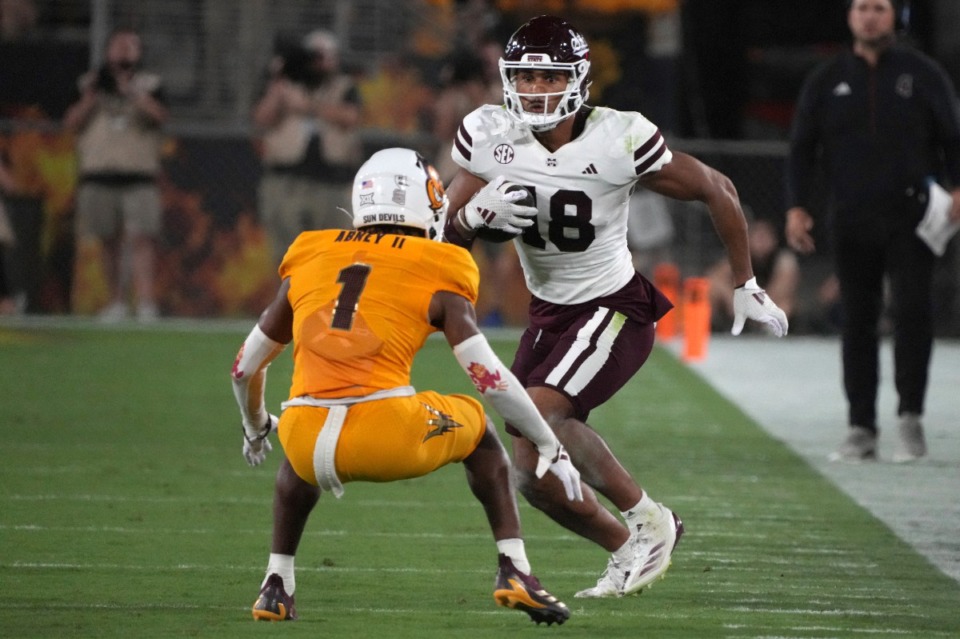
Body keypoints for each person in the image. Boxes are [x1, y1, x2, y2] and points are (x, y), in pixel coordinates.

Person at [440, 15, 789, 599]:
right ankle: (629, 546)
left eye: (545, 78)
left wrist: (746, 281)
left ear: (577, 82)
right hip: (549, 315)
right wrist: (471, 220)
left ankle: (649, 519)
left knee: (546, 416)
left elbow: (717, 187)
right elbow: (441, 240)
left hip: (613, 307)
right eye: (522, 77)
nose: (531, 90)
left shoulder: (619, 136)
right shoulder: (489, 134)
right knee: (527, 468)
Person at [230, 147, 582, 625]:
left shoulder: (310, 251)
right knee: (478, 431)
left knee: (301, 423)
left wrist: (255, 427)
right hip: (386, 433)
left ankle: (276, 585)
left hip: (304, 435)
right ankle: (516, 570)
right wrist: (547, 441)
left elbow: (245, 368)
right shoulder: (440, 263)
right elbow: (490, 380)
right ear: (427, 201)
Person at [784, 0, 960, 463]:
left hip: (912, 217)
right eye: (862, 7)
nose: (870, 16)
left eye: (879, 8)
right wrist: (798, 207)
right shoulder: (826, 79)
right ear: (849, 16)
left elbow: (953, 136)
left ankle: (911, 419)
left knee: (911, 314)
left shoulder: (922, 73)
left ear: (894, 17)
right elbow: (802, 148)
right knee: (856, 321)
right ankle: (861, 426)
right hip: (851, 217)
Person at [63, 28, 167, 322]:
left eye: (130, 46)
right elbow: (70, 122)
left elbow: (161, 117)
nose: (123, 53)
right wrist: (92, 97)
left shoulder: (150, 84)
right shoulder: (89, 83)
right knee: (108, 240)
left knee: (142, 238)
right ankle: (116, 302)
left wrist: (134, 93)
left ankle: (146, 303)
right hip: (99, 174)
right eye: (118, 46)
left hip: (139, 175)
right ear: (107, 51)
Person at [252, 29, 363, 268]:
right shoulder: (283, 84)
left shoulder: (343, 86)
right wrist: (279, 80)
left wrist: (309, 107)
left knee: (334, 254)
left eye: (325, 57)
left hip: (331, 181)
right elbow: (261, 119)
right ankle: (288, 305)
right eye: (315, 57)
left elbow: (351, 117)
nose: (319, 64)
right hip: (288, 180)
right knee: (288, 255)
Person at [707, 217, 800, 332]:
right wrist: (732, 299)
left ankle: (768, 336)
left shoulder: (783, 260)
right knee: (713, 290)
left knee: (786, 305)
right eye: (758, 237)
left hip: (766, 309)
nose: (761, 242)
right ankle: (712, 328)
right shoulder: (739, 256)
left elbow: (781, 291)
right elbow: (714, 278)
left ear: (774, 240)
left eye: (765, 237)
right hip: (738, 308)